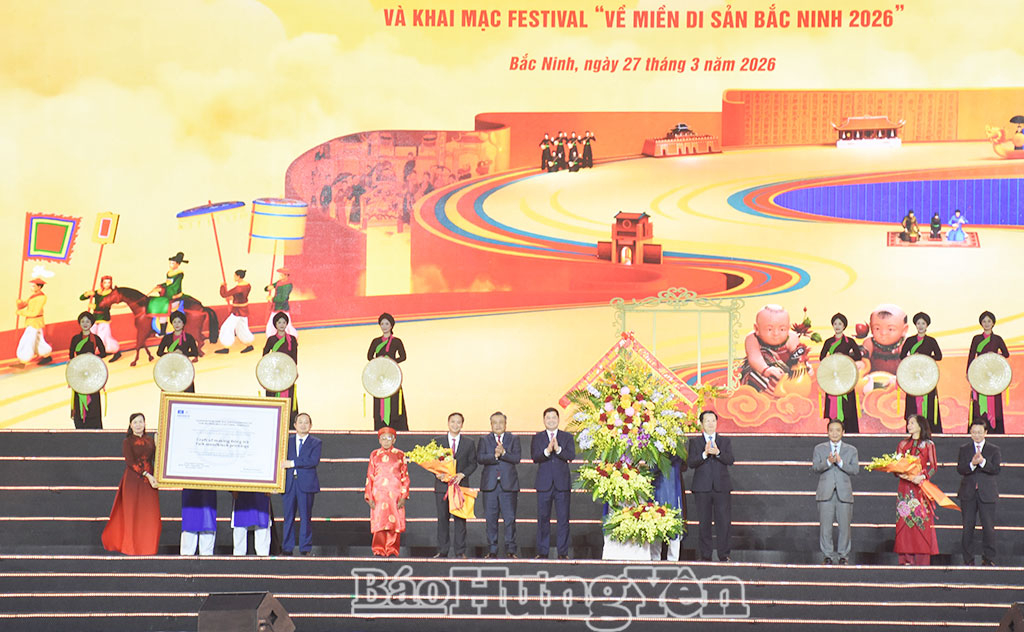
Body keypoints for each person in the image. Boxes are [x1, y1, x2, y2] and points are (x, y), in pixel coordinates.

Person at [101, 413, 161, 555]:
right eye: (135, 422)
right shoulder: (127, 442)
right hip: (133, 481)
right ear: (130, 425)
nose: (138, 425)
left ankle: (148, 547)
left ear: (145, 424)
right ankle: (131, 547)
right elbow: (130, 462)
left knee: (149, 514)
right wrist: (147, 475)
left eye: (141, 422)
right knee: (132, 513)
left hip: (149, 482)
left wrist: (158, 443)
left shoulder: (151, 440)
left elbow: (157, 459)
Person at [686, 410, 734, 562]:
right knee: (704, 523)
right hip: (702, 488)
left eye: (713, 420)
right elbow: (691, 463)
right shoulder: (695, 442)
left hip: (721, 487)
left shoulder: (724, 441)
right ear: (701, 424)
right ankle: (706, 555)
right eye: (707, 421)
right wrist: (704, 454)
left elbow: (730, 460)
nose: (711, 424)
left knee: (724, 522)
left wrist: (718, 453)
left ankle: (724, 554)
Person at [812, 419, 859, 565]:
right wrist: (828, 462)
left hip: (844, 493)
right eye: (831, 430)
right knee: (825, 527)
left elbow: (855, 470)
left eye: (838, 430)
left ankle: (843, 555)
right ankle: (828, 555)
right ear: (827, 432)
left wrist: (840, 462)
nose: (834, 433)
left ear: (843, 432)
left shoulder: (851, 450)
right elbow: (815, 467)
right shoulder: (819, 448)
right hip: (825, 493)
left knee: (845, 527)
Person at [893, 414, 938, 566]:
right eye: (908, 423)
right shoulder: (903, 444)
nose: (909, 426)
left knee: (921, 522)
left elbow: (933, 467)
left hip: (920, 487)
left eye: (912, 423)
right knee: (905, 522)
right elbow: (896, 467)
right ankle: (906, 559)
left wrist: (922, 477)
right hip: (905, 488)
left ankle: (922, 559)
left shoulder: (928, 445)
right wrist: (906, 475)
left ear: (920, 425)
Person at [532, 406, 576, 559]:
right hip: (544, 484)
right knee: (543, 519)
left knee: (563, 519)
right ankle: (542, 552)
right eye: (548, 418)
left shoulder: (567, 437)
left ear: (558, 419)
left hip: (562, 484)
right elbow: (535, 457)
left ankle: (562, 553)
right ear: (544, 420)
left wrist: (558, 449)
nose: (551, 420)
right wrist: (547, 451)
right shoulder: (537, 437)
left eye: (554, 417)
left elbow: (571, 456)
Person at [477, 411, 521, 559]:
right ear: (491, 424)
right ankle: (492, 550)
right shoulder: (484, 440)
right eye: (495, 423)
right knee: (491, 519)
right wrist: (494, 456)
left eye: (501, 422)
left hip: (508, 485)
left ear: (505, 424)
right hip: (490, 486)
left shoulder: (513, 439)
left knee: (509, 519)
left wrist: (504, 453)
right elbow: (480, 458)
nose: (498, 425)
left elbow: (516, 458)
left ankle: (511, 550)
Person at [433, 412, 477, 558]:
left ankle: (460, 551)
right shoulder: (438, 441)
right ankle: (442, 551)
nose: (455, 425)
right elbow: (432, 462)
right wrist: (437, 473)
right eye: (453, 422)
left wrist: (462, 474)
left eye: (458, 422)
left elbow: (473, 463)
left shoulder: (469, 443)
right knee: (442, 519)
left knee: (460, 520)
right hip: (442, 487)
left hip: (460, 486)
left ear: (462, 425)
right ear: (448, 423)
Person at [957, 418, 1001, 565]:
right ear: (970, 433)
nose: (976, 435)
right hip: (968, 493)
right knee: (967, 527)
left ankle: (988, 558)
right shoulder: (964, 449)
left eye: (979, 432)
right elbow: (960, 469)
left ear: (985, 433)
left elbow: (996, 469)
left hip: (987, 493)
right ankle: (968, 559)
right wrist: (972, 464)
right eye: (974, 432)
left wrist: (982, 462)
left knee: (988, 527)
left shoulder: (993, 449)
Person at [365, 426, 410, 557]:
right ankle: (378, 549)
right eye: (383, 438)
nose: (386, 441)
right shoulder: (374, 454)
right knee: (380, 522)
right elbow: (370, 476)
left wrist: (403, 495)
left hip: (395, 494)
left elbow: (405, 476)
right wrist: (369, 496)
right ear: (379, 440)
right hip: (378, 494)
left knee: (394, 522)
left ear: (394, 440)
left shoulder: (400, 454)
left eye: (389, 438)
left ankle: (392, 549)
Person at [740, 304, 806, 394]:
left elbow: (798, 357)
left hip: (784, 373)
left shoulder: (792, 338)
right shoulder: (752, 338)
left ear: (788, 328)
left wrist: (804, 366)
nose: (776, 333)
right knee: (754, 376)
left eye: (782, 329)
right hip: (760, 371)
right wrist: (766, 370)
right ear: (757, 329)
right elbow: (754, 357)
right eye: (769, 329)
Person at [281, 412, 321, 555]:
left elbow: (313, 461)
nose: (303, 425)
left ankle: (305, 548)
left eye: (306, 422)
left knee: (305, 517)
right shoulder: (286, 442)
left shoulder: (316, 442)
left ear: (310, 425)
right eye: (300, 422)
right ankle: (287, 547)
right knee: (288, 517)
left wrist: (292, 463)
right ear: (295, 425)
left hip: (306, 484)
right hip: (289, 484)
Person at [899, 312, 943, 434]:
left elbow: (939, 356)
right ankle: (913, 432)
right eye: (918, 323)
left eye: (923, 323)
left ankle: (929, 432)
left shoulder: (931, 341)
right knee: (912, 405)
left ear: (927, 325)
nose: (920, 326)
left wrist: (925, 358)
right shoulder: (910, 340)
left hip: (927, 378)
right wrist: (912, 358)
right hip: (913, 379)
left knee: (929, 407)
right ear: (915, 325)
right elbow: (902, 356)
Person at [819, 313, 863, 432]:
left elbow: (858, 356)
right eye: (835, 324)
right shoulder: (828, 342)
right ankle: (834, 431)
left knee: (848, 407)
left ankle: (849, 432)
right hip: (833, 378)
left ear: (844, 326)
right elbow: (822, 358)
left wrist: (845, 358)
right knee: (833, 406)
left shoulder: (850, 341)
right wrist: (833, 359)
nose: (837, 326)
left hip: (846, 378)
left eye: (840, 324)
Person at [967, 311, 1010, 434]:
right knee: (978, 405)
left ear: (993, 323)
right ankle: (978, 429)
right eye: (984, 321)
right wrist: (969, 373)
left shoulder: (997, 339)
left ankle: (995, 430)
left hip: (993, 376)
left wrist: (995, 355)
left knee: (994, 403)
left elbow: (1006, 354)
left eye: (989, 321)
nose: (986, 324)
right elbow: (971, 356)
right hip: (980, 374)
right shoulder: (977, 338)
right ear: (981, 323)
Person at [367, 313, 408, 431]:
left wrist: (391, 362)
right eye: (382, 324)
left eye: (387, 324)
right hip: (379, 378)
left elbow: (403, 357)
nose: (384, 326)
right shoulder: (375, 341)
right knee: (379, 404)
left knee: (395, 405)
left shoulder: (397, 341)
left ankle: (396, 430)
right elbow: (369, 356)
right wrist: (379, 363)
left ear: (391, 325)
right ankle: (380, 429)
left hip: (392, 378)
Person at [68, 311, 107, 429]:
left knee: (93, 400)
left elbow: (103, 353)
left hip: (92, 374)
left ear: (92, 323)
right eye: (82, 321)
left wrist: (94, 357)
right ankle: (80, 426)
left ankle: (95, 426)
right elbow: (71, 355)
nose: (85, 324)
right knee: (78, 398)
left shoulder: (96, 338)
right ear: (79, 323)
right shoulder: (75, 338)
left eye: (87, 321)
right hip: (79, 374)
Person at [263, 312, 299, 426]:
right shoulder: (271, 339)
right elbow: (265, 357)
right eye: (279, 322)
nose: (282, 325)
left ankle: (289, 423)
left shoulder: (292, 339)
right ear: (275, 324)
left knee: (289, 395)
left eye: (284, 322)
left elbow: (294, 357)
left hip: (287, 373)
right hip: (274, 374)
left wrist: (294, 371)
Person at [650, 454, 686, 561]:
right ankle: (654, 559)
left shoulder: (675, 449)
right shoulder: (650, 447)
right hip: (656, 486)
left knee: (673, 521)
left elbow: (683, 462)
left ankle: (673, 560)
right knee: (654, 520)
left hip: (672, 485)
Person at [80, 275, 122, 361]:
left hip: (104, 317)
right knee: (92, 335)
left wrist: (95, 307)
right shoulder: (98, 292)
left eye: (109, 282)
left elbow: (106, 306)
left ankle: (114, 350)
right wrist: (87, 294)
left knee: (103, 336)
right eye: (105, 282)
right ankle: (96, 351)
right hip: (95, 318)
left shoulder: (111, 294)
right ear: (102, 283)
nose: (107, 284)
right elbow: (81, 298)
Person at [156, 311, 199, 392]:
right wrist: (170, 354)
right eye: (174, 322)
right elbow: (159, 353)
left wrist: (183, 354)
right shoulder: (167, 338)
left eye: (179, 322)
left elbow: (195, 352)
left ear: (183, 324)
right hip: (170, 369)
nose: (177, 324)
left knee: (187, 391)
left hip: (184, 368)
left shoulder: (189, 338)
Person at [214, 269, 254, 354]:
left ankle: (226, 346)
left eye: (235, 276)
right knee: (242, 328)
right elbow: (241, 296)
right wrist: (233, 298)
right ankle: (249, 345)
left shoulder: (238, 288)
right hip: (244, 309)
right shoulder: (248, 285)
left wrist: (222, 286)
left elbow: (224, 294)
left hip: (238, 311)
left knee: (227, 327)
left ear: (238, 277)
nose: (234, 277)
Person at [15, 278, 53, 365]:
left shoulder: (41, 298)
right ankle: (46, 355)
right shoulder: (33, 296)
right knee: (37, 340)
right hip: (32, 322)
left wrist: (20, 313)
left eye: (33, 286)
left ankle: (23, 360)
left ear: (39, 287)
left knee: (27, 340)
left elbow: (34, 312)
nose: (31, 288)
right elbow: (24, 305)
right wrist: (19, 303)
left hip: (35, 322)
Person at [150, 252, 187, 333]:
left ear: (178, 264)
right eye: (170, 263)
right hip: (168, 294)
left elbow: (175, 286)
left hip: (174, 295)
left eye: (173, 263)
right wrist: (160, 286)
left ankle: (163, 331)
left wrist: (165, 290)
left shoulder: (179, 274)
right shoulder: (169, 273)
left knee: (164, 308)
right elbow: (168, 283)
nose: (170, 265)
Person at [180, 487, 217, 556]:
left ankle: (206, 560)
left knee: (206, 551)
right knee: (189, 533)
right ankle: (185, 561)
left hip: (208, 491)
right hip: (190, 490)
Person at [231, 492, 271, 556]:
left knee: (262, 524)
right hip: (240, 491)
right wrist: (232, 489)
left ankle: (263, 558)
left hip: (262, 492)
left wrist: (272, 488)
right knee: (240, 527)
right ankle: (238, 557)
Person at [264, 268, 297, 337]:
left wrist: (272, 299)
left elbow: (283, 299)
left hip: (282, 307)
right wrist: (268, 288)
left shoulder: (287, 285)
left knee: (285, 324)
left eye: (281, 275)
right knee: (272, 323)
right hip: (276, 307)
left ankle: (291, 336)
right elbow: (272, 286)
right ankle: (272, 336)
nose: (280, 276)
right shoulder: (279, 282)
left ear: (286, 276)